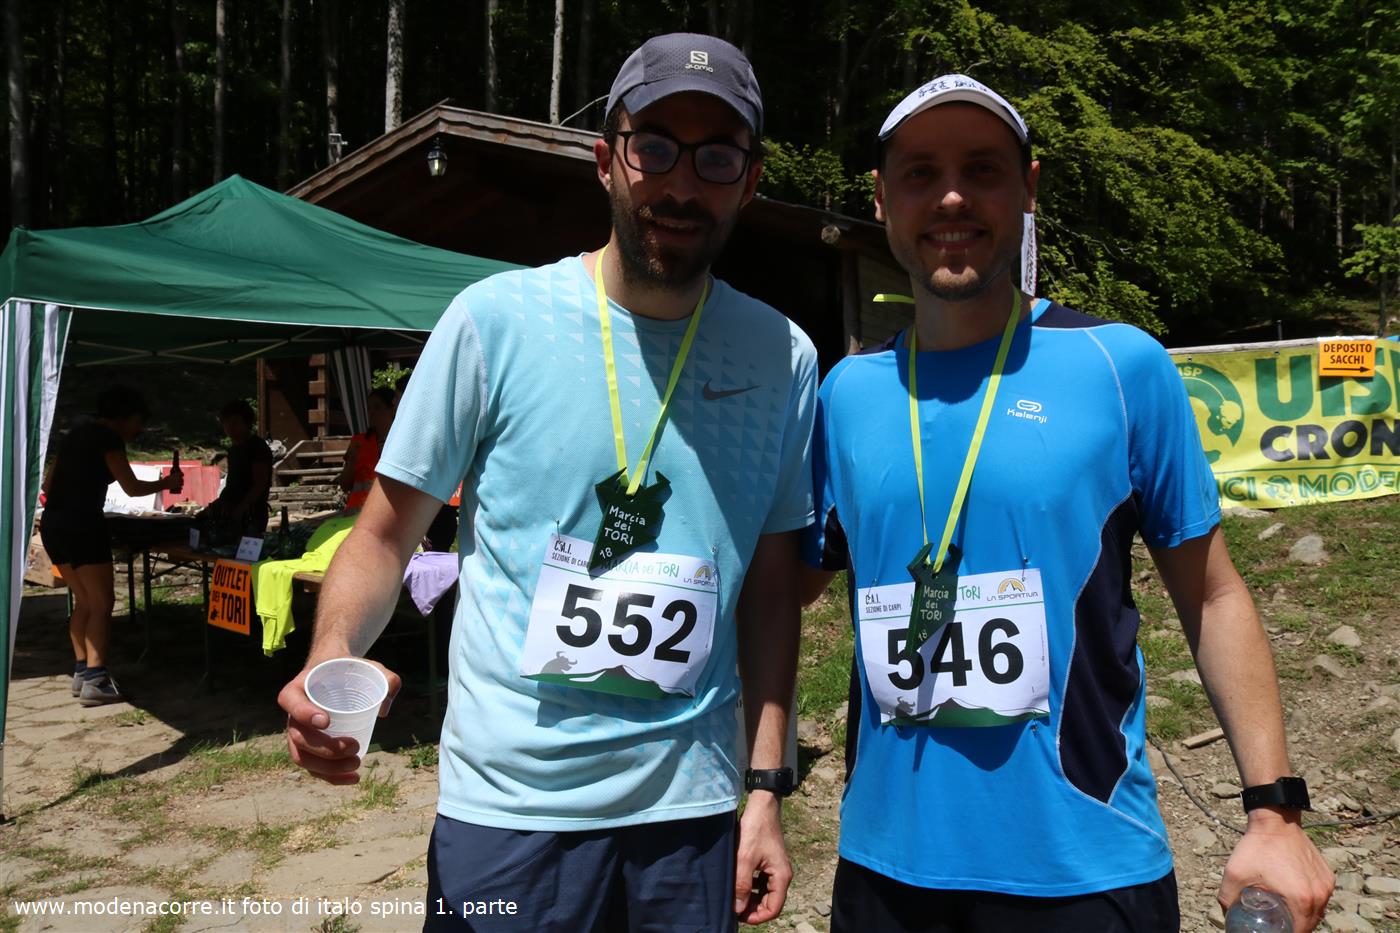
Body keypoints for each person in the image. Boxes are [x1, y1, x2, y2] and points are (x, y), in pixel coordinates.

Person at [279, 33, 816, 931]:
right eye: (654, 148)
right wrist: (329, 653)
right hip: (511, 810)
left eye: (718, 157)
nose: (682, 184)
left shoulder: (782, 355)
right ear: (606, 161)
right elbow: (383, 534)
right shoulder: (495, 322)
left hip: (690, 811)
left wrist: (766, 787)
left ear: (750, 181)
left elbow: (770, 589)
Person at [798, 75, 1333, 933]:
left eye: (982, 169)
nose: (951, 197)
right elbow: (780, 587)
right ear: (881, 198)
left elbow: (1213, 593)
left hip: (1083, 871)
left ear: (1029, 188)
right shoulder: (845, 394)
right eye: (920, 172)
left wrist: (1274, 810)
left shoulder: (1121, 366)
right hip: (885, 872)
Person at [41, 385, 182, 705]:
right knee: (102, 604)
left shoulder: (74, 435)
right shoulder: (108, 439)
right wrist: (167, 483)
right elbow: (131, 488)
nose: (138, 429)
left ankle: (82, 672)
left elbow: (48, 485)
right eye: (138, 422)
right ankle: (96, 680)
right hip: (82, 525)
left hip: (54, 524)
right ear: (126, 416)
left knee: (85, 601)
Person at [202, 399, 273, 538]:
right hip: (230, 510)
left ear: (247, 423)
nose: (229, 427)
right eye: (226, 422)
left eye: (235, 422)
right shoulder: (234, 450)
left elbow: (259, 484)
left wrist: (240, 510)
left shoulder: (257, 447)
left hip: (251, 513)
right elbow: (233, 484)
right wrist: (217, 505)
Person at [336, 386, 397, 510]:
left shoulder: (401, 441)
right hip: (357, 512)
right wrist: (352, 460)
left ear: (392, 409)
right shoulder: (358, 442)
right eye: (369, 408)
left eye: (377, 407)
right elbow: (345, 485)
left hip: (389, 510)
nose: (371, 412)